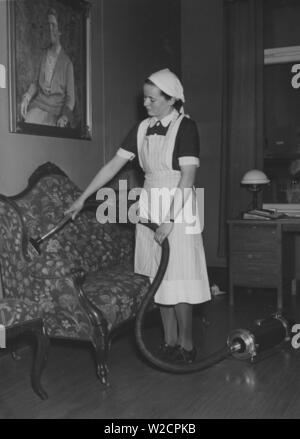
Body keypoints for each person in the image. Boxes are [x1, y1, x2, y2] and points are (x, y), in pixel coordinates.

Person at [66, 68, 211, 364]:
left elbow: (187, 177)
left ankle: (187, 344)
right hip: (149, 202)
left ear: (171, 100)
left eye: (151, 99)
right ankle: (169, 341)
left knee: (179, 276)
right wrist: (82, 198)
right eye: (145, 98)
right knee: (158, 277)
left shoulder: (186, 127)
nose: (145, 104)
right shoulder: (142, 129)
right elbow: (111, 167)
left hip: (178, 204)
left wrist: (170, 219)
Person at [20, 8, 75, 128]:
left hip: (56, 113)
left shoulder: (67, 64)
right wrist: (27, 97)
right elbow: (35, 83)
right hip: (39, 106)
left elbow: (71, 99)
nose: (50, 29)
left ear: (60, 30)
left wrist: (64, 117)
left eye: (54, 25)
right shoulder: (42, 55)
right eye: (48, 25)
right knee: (27, 123)